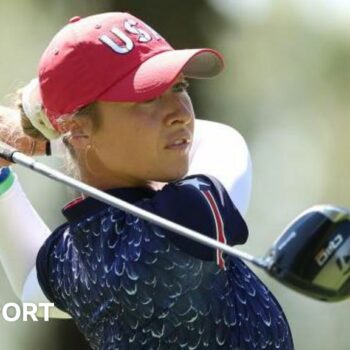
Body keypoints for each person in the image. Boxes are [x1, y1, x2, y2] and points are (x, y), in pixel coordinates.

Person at [0, 12, 293, 349]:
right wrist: (43, 139)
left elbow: (30, 285)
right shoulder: (180, 220)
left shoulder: (74, 254)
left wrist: (19, 162)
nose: (181, 113)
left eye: (179, 86)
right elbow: (224, 140)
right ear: (78, 128)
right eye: (148, 97)